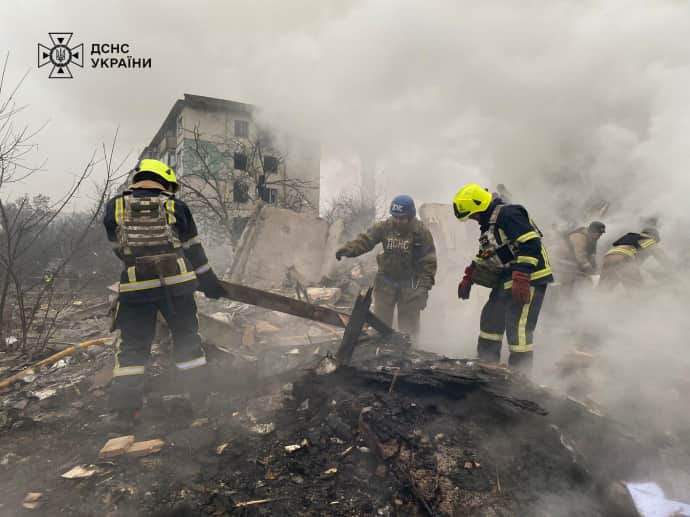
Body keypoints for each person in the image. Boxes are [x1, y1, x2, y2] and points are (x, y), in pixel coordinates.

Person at [103, 158, 226, 423]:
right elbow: (193, 250)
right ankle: (199, 400)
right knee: (187, 340)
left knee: (133, 348)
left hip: (136, 290)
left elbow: (119, 250)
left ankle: (125, 412)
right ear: (164, 181)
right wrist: (209, 283)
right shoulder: (176, 206)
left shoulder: (114, 207)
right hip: (178, 289)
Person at [453, 183, 553, 372]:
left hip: (530, 277)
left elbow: (531, 243)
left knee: (519, 328)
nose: (473, 219)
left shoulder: (508, 214)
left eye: (473, 215)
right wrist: (469, 276)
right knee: (491, 318)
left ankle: (520, 376)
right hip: (507, 277)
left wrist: (522, 276)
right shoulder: (489, 224)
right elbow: (488, 254)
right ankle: (486, 366)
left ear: (480, 206)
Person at [335, 195, 437, 340]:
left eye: (402, 218)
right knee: (380, 325)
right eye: (395, 217)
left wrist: (423, 289)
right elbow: (366, 240)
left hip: (410, 286)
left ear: (410, 216)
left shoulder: (421, 232)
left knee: (409, 330)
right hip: (385, 283)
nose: (398, 221)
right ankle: (379, 350)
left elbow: (429, 261)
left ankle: (409, 351)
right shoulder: (384, 227)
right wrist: (349, 249)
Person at [598, 228, 669, 291]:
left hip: (608, 259)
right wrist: (672, 271)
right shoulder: (649, 240)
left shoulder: (632, 238)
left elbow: (636, 261)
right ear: (654, 236)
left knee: (603, 289)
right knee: (637, 289)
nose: (656, 243)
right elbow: (662, 257)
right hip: (624, 258)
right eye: (656, 241)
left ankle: (596, 301)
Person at [551, 221, 606, 295]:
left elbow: (592, 255)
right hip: (561, 258)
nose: (600, 236)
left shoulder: (593, 239)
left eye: (601, 234)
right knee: (568, 279)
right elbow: (580, 255)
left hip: (571, 260)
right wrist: (588, 268)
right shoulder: (580, 237)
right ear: (592, 231)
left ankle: (573, 293)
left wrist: (594, 268)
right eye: (599, 234)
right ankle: (564, 294)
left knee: (579, 276)